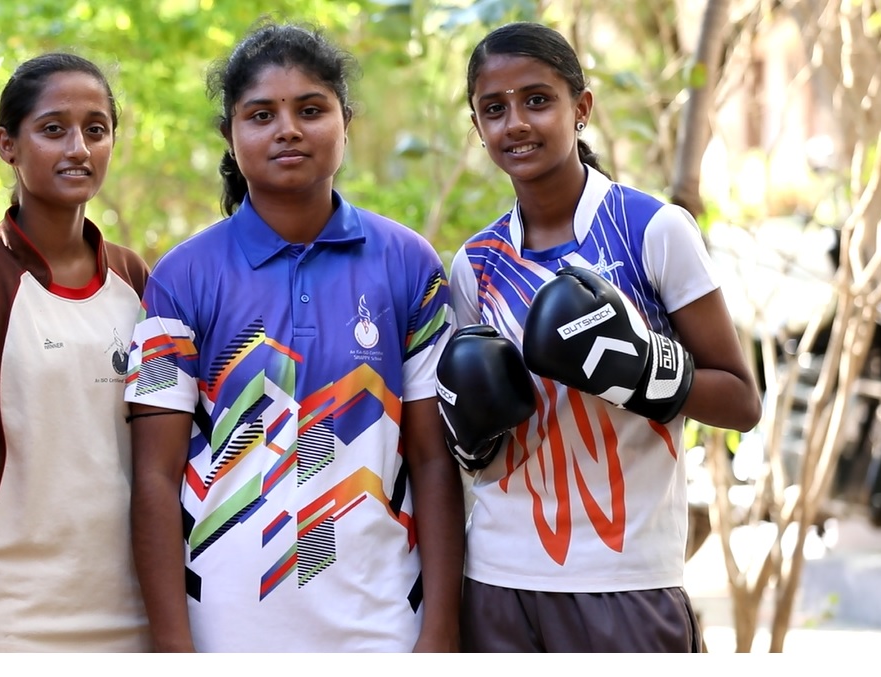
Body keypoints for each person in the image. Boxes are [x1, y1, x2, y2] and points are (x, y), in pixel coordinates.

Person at [124, 21, 466, 652]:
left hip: (382, 619)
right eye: (261, 114)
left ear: (346, 123)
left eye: (311, 110)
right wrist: (174, 648)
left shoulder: (409, 264)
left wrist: (439, 631)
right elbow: (154, 475)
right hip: (224, 624)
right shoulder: (180, 278)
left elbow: (431, 458)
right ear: (229, 135)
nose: (288, 129)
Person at [442, 21, 762, 652]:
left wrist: (643, 368)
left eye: (537, 99)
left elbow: (742, 402)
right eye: (494, 109)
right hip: (497, 580)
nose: (516, 123)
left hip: (628, 578)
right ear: (478, 129)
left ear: (580, 108)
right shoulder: (475, 263)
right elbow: (472, 453)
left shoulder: (653, 229)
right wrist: (472, 434)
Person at [0, 52, 152, 652]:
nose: (78, 147)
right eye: (53, 129)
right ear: (7, 145)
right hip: (10, 618)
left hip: (134, 613)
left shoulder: (136, 278)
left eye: (96, 130)